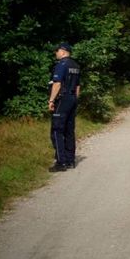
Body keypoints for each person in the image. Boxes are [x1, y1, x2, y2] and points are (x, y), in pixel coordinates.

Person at [48, 42, 81, 171]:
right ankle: (70, 160)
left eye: (56, 51)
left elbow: (57, 84)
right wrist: (74, 100)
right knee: (69, 130)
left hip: (62, 99)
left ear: (62, 51)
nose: (55, 53)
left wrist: (51, 100)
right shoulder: (75, 65)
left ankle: (61, 162)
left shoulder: (62, 65)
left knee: (57, 130)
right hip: (72, 98)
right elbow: (78, 86)